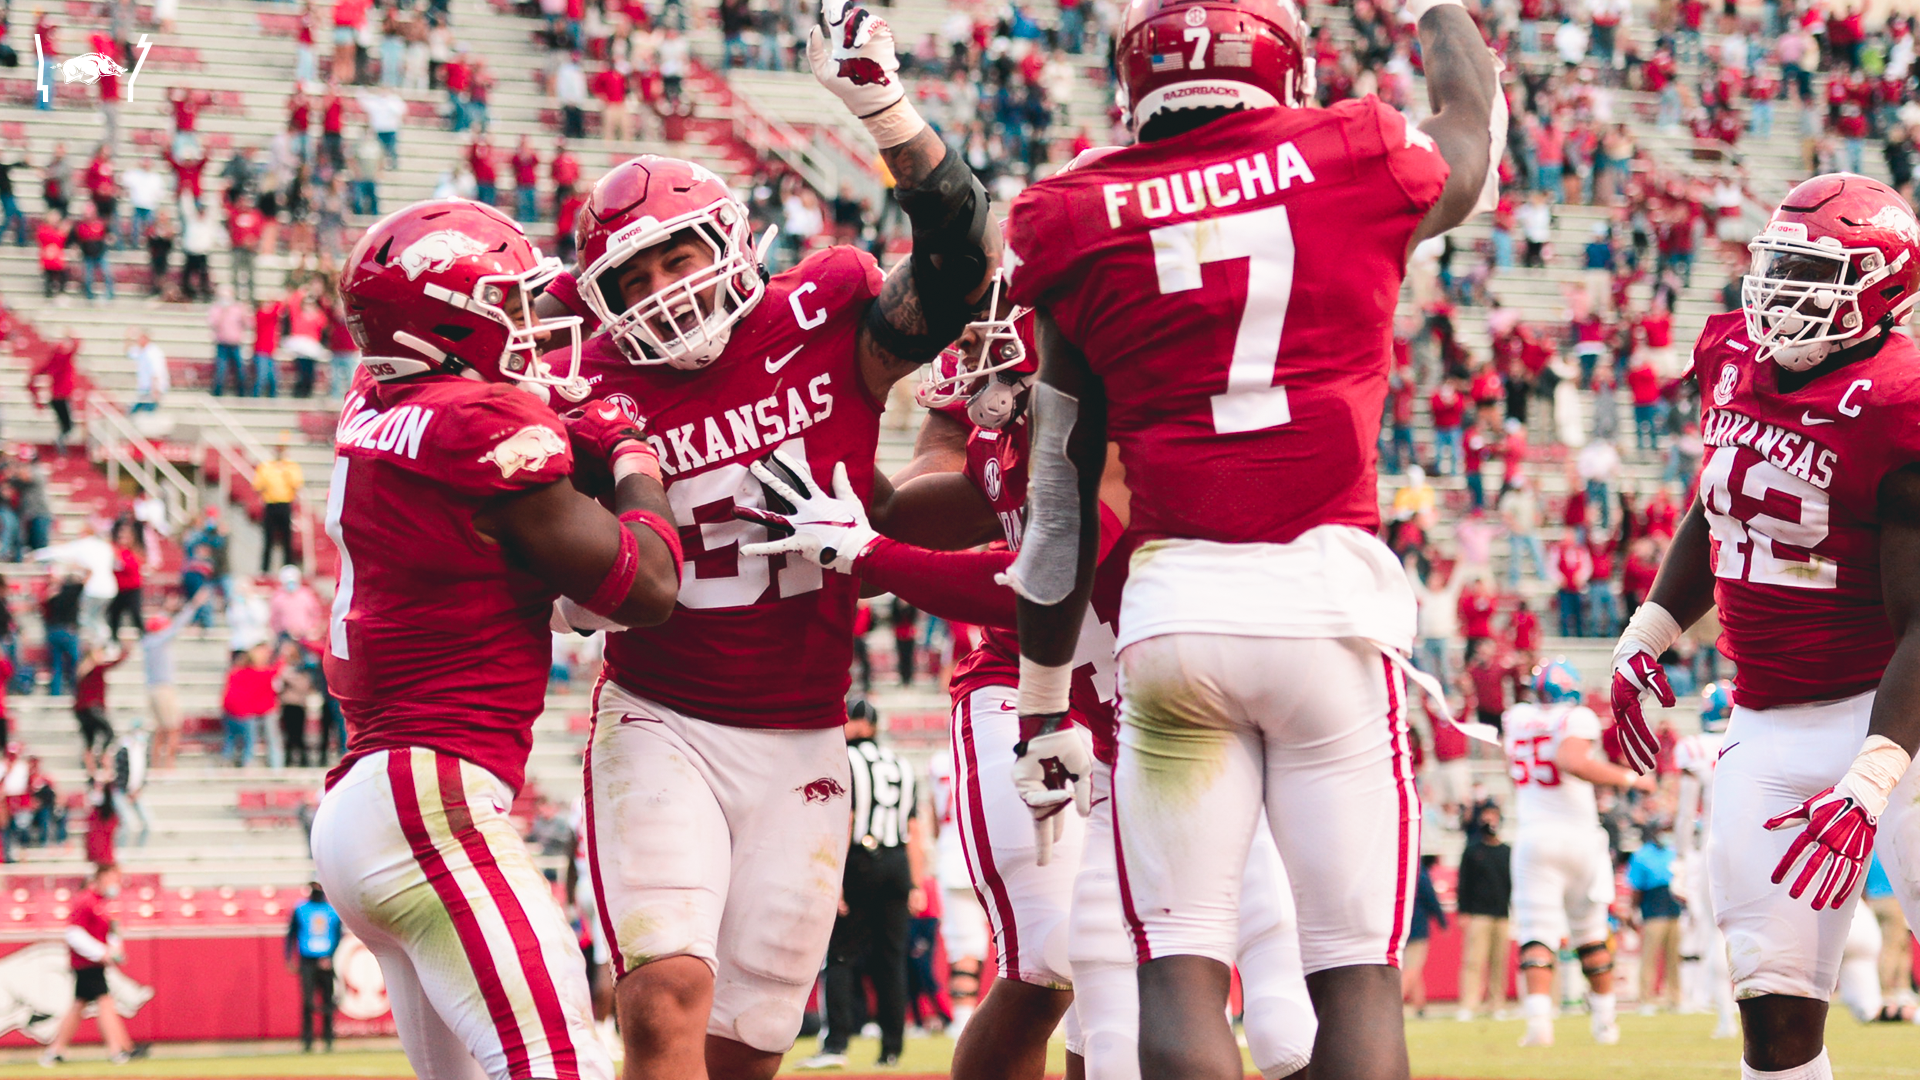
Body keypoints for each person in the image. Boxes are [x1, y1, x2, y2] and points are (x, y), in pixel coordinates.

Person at [999, 0, 1498, 1072]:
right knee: (1353, 972)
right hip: (1326, 607)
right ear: (1286, 62)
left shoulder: (1073, 212)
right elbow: (1470, 134)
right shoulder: (1354, 150)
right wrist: (1435, 15)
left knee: (1177, 966)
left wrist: (1043, 705)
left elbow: (1059, 489)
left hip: (1178, 619)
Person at [556, 2, 1000, 1062]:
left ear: (729, 241)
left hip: (806, 727)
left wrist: (883, 109)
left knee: (754, 1036)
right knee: (665, 992)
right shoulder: (592, 391)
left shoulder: (823, 311)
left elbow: (959, 262)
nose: (663, 292)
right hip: (663, 717)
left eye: (677, 259)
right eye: (635, 278)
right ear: (602, 300)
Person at [308, 198, 681, 1080]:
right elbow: (647, 588)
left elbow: (497, 348)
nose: (529, 329)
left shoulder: (376, 393)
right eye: (506, 309)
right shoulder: (484, 429)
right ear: (446, 328)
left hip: (366, 803)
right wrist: (631, 453)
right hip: (428, 800)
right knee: (560, 1063)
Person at [1612, 174, 1920, 1080]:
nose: (1781, 290)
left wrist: (1871, 777)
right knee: (1774, 1022)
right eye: (1777, 263)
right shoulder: (1736, 357)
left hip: (1899, 721)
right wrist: (1651, 629)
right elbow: (1725, 509)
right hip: (1768, 720)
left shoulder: (1898, 402)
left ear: (1881, 286)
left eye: (1812, 270)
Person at [1503, 660, 1654, 1047]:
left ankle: (1539, 1024)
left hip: (1534, 834)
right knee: (1590, 932)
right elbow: (1571, 761)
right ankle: (1605, 1023)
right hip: (1577, 835)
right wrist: (1629, 777)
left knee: (1537, 932)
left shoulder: (1517, 718)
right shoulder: (1576, 717)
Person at [806, 700, 928, 1069]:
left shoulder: (847, 761)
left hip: (860, 859)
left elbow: (847, 819)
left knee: (841, 954)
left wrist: (835, 878)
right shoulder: (901, 764)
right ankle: (891, 1048)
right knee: (891, 960)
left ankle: (836, 1045)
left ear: (857, 724)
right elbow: (914, 830)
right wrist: (916, 883)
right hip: (897, 863)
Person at [38, 864, 144, 1067]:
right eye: (113, 879)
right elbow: (73, 933)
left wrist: (114, 949)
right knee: (105, 1002)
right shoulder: (86, 900)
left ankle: (55, 1051)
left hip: (94, 963)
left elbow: (110, 931)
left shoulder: (104, 903)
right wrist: (100, 952)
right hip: (86, 963)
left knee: (79, 1005)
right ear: (101, 878)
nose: (116, 884)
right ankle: (117, 1050)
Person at [1455, 802, 1512, 1021]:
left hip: (1501, 915)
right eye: (1486, 816)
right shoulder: (1472, 851)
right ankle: (1469, 1004)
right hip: (1478, 914)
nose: (1490, 820)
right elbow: (1464, 883)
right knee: (1473, 961)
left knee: (1499, 962)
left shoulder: (1507, 852)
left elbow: (1511, 884)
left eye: (1494, 816)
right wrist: (1464, 911)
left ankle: (1497, 1004)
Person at [1628, 825, 1685, 1013]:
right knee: (1649, 958)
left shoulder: (1672, 853)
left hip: (1673, 910)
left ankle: (1675, 999)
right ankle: (1646, 1000)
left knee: (1673, 958)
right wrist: (1633, 911)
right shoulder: (1642, 856)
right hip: (1652, 911)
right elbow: (1636, 888)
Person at [286, 882, 343, 1053]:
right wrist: (289, 957)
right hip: (307, 961)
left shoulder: (333, 911)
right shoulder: (300, 909)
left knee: (327, 1000)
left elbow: (339, 935)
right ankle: (307, 1040)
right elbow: (291, 934)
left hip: (326, 961)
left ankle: (328, 1039)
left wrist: (330, 956)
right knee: (308, 1002)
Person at [72, 638, 124, 774]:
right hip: (92, 707)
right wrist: (125, 651)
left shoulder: (83, 668)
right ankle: (103, 757)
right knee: (109, 733)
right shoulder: (95, 667)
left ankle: (91, 771)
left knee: (89, 740)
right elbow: (114, 663)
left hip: (81, 709)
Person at [27, 328, 79, 452]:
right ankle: (60, 441)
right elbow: (76, 347)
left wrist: (36, 399)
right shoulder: (64, 359)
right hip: (62, 396)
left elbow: (33, 377)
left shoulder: (51, 363)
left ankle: (60, 442)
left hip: (55, 397)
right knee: (68, 425)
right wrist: (72, 336)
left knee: (64, 424)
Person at [254, 443, 303, 573]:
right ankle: (265, 569)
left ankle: (288, 567)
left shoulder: (292, 467)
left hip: (285, 504)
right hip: (270, 504)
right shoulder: (265, 467)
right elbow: (258, 485)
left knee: (287, 538)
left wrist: (284, 471)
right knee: (268, 538)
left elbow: (296, 484)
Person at [275, 640, 313, 767]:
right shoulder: (281, 668)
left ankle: (304, 760)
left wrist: (289, 678)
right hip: (286, 704)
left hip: (298, 704)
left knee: (299, 734)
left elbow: (304, 686)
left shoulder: (302, 667)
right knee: (288, 734)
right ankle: (288, 759)